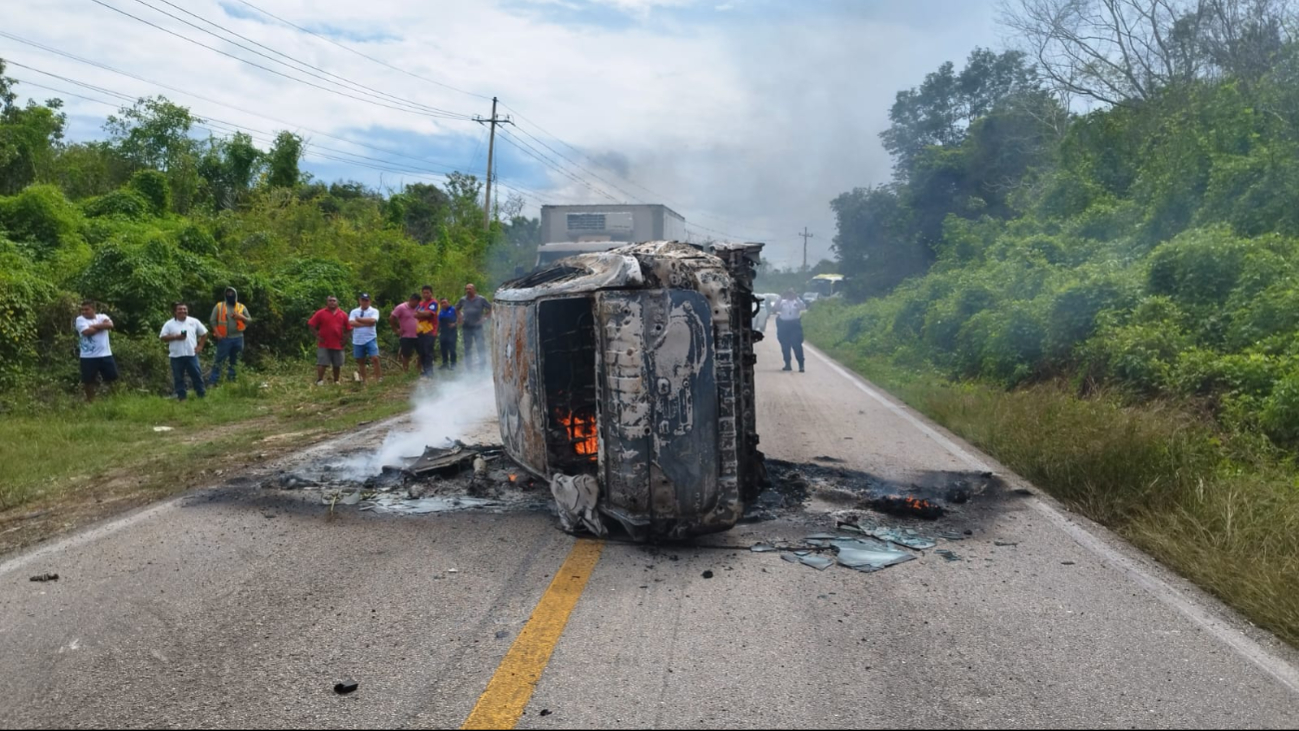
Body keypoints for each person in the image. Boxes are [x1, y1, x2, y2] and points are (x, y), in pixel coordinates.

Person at [159, 302, 209, 400]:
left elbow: (204, 333)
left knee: (197, 375)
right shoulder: (169, 324)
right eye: (180, 309)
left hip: (191, 354)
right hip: (176, 355)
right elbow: (162, 337)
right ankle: (182, 398)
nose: (183, 311)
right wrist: (176, 336)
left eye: (184, 309)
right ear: (175, 311)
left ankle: (201, 396)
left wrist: (200, 346)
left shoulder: (194, 321)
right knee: (178, 378)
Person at [75, 300, 118, 403]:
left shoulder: (102, 316)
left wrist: (94, 326)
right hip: (88, 356)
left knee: (112, 378)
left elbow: (110, 325)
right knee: (88, 381)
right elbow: (86, 332)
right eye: (82, 310)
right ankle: (90, 402)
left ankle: (115, 399)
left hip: (105, 354)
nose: (84, 312)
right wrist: (102, 327)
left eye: (87, 309)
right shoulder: (80, 320)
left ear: (93, 309)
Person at [208, 286, 251, 387]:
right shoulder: (219, 306)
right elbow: (212, 321)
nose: (230, 295)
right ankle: (213, 381)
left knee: (235, 360)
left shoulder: (241, 307)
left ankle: (232, 381)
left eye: (232, 293)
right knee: (219, 360)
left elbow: (250, 320)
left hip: (238, 338)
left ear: (235, 294)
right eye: (228, 293)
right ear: (225, 294)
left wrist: (241, 317)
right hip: (224, 338)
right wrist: (217, 333)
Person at [308, 295, 349, 385]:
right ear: (327, 302)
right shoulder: (321, 313)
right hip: (324, 343)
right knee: (322, 363)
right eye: (330, 300)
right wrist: (317, 335)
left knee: (337, 364)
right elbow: (311, 324)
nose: (332, 302)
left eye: (334, 300)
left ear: (337, 302)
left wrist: (345, 339)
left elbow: (349, 328)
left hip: (338, 343)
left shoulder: (343, 314)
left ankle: (336, 381)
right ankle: (320, 380)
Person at [456, 283, 493, 371]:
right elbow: (456, 308)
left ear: (474, 290)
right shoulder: (463, 300)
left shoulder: (481, 299)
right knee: (467, 347)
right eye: (466, 289)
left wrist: (485, 317)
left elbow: (492, 308)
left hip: (478, 327)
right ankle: (469, 368)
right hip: (466, 327)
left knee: (480, 347)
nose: (468, 291)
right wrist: (460, 316)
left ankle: (482, 368)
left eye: (470, 289)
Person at [349, 293, 382, 384]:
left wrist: (359, 320)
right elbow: (351, 323)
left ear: (369, 301)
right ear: (360, 301)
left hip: (370, 338)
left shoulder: (374, 311)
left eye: (366, 300)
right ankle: (364, 379)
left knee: (375, 358)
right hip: (357, 339)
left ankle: (378, 378)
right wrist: (365, 323)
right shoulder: (354, 311)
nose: (365, 302)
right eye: (363, 300)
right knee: (360, 360)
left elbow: (373, 321)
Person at [775, 289, 807, 373]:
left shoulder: (797, 302)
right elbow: (776, 307)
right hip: (784, 325)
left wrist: (796, 297)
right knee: (785, 346)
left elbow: (803, 307)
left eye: (791, 294)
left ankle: (801, 365)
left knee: (797, 345)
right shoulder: (783, 302)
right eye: (788, 294)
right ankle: (787, 364)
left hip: (795, 325)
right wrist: (781, 297)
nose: (790, 295)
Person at [389, 292, 421, 373]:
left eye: (417, 303)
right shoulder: (401, 307)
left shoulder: (419, 308)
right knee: (406, 354)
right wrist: (396, 329)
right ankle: (405, 371)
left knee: (422, 353)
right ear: (411, 300)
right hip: (406, 335)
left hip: (419, 334)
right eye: (414, 302)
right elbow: (392, 318)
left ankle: (418, 369)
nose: (415, 304)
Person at [414, 285, 439, 378]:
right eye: (424, 293)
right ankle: (425, 370)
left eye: (427, 292)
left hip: (430, 331)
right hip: (420, 331)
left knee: (428, 351)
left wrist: (421, 313)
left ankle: (430, 372)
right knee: (422, 352)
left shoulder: (434, 303)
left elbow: (429, 314)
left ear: (431, 293)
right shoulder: (421, 304)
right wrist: (421, 313)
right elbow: (415, 315)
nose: (425, 294)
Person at [438, 297, 457, 370]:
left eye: (445, 302)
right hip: (443, 332)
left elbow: (461, 318)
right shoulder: (441, 311)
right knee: (443, 348)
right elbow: (438, 322)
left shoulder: (453, 309)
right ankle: (445, 363)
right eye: (442, 303)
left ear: (448, 302)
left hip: (452, 332)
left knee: (452, 349)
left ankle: (453, 364)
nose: (443, 304)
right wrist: (436, 331)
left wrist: (454, 324)